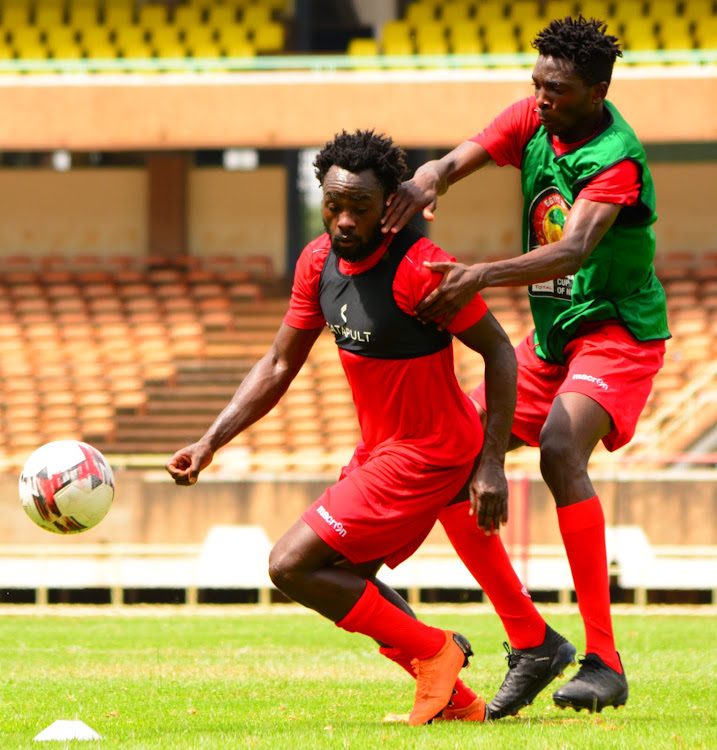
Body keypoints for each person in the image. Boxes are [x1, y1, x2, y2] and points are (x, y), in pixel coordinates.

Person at [167, 129, 523, 725]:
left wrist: (492, 465)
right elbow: (280, 363)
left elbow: (502, 352)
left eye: (361, 207)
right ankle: (455, 699)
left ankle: (437, 650)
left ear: (391, 205)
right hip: (381, 449)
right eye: (335, 205)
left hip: (431, 450)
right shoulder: (316, 261)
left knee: (289, 565)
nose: (345, 221)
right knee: (342, 580)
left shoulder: (422, 270)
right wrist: (209, 442)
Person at [382, 16, 670, 715]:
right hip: (549, 344)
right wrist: (424, 181)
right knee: (454, 451)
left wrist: (477, 274)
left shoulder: (614, 156)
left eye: (558, 91)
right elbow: (453, 162)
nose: (541, 99)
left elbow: (571, 251)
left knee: (557, 448)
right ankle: (531, 639)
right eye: (536, 85)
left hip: (615, 334)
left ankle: (603, 660)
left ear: (597, 90)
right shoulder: (532, 116)